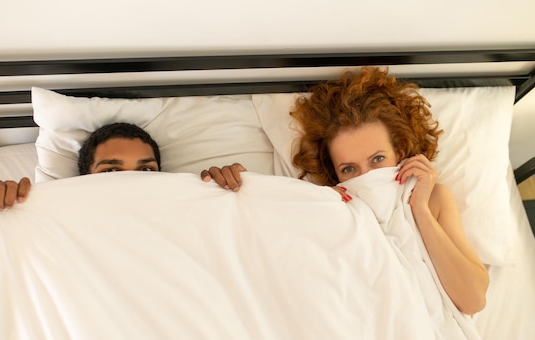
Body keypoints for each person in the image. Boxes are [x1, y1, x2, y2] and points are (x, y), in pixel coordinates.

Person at [0, 122, 240, 340]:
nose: (130, 182)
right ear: (84, 181)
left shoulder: (191, 225)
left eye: (146, 171)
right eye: (111, 171)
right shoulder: (43, 244)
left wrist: (235, 196)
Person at [207, 67, 489, 315]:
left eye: (378, 160)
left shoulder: (435, 198)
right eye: (350, 169)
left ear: (400, 153)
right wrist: (239, 188)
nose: (367, 178)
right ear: (335, 175)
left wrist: (420, 211)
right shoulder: (330, 205)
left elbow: (472, 300)